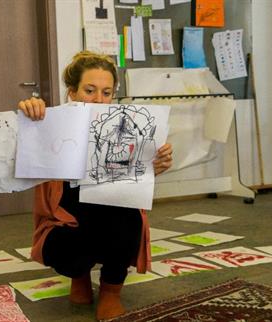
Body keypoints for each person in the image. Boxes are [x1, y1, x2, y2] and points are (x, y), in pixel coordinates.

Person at [18, 51, 173, 321]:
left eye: (106, 92)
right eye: (89, 90)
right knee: (69, 236)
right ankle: (79, 276)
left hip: (114, 215)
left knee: (126, 216)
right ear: (72, 92)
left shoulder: (127, 126)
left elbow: (137, 180)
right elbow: (21, 153)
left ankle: (111, 290)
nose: (99, 100)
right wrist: (29, 114)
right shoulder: (51, 123)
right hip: (71, 221)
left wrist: (154, 166)